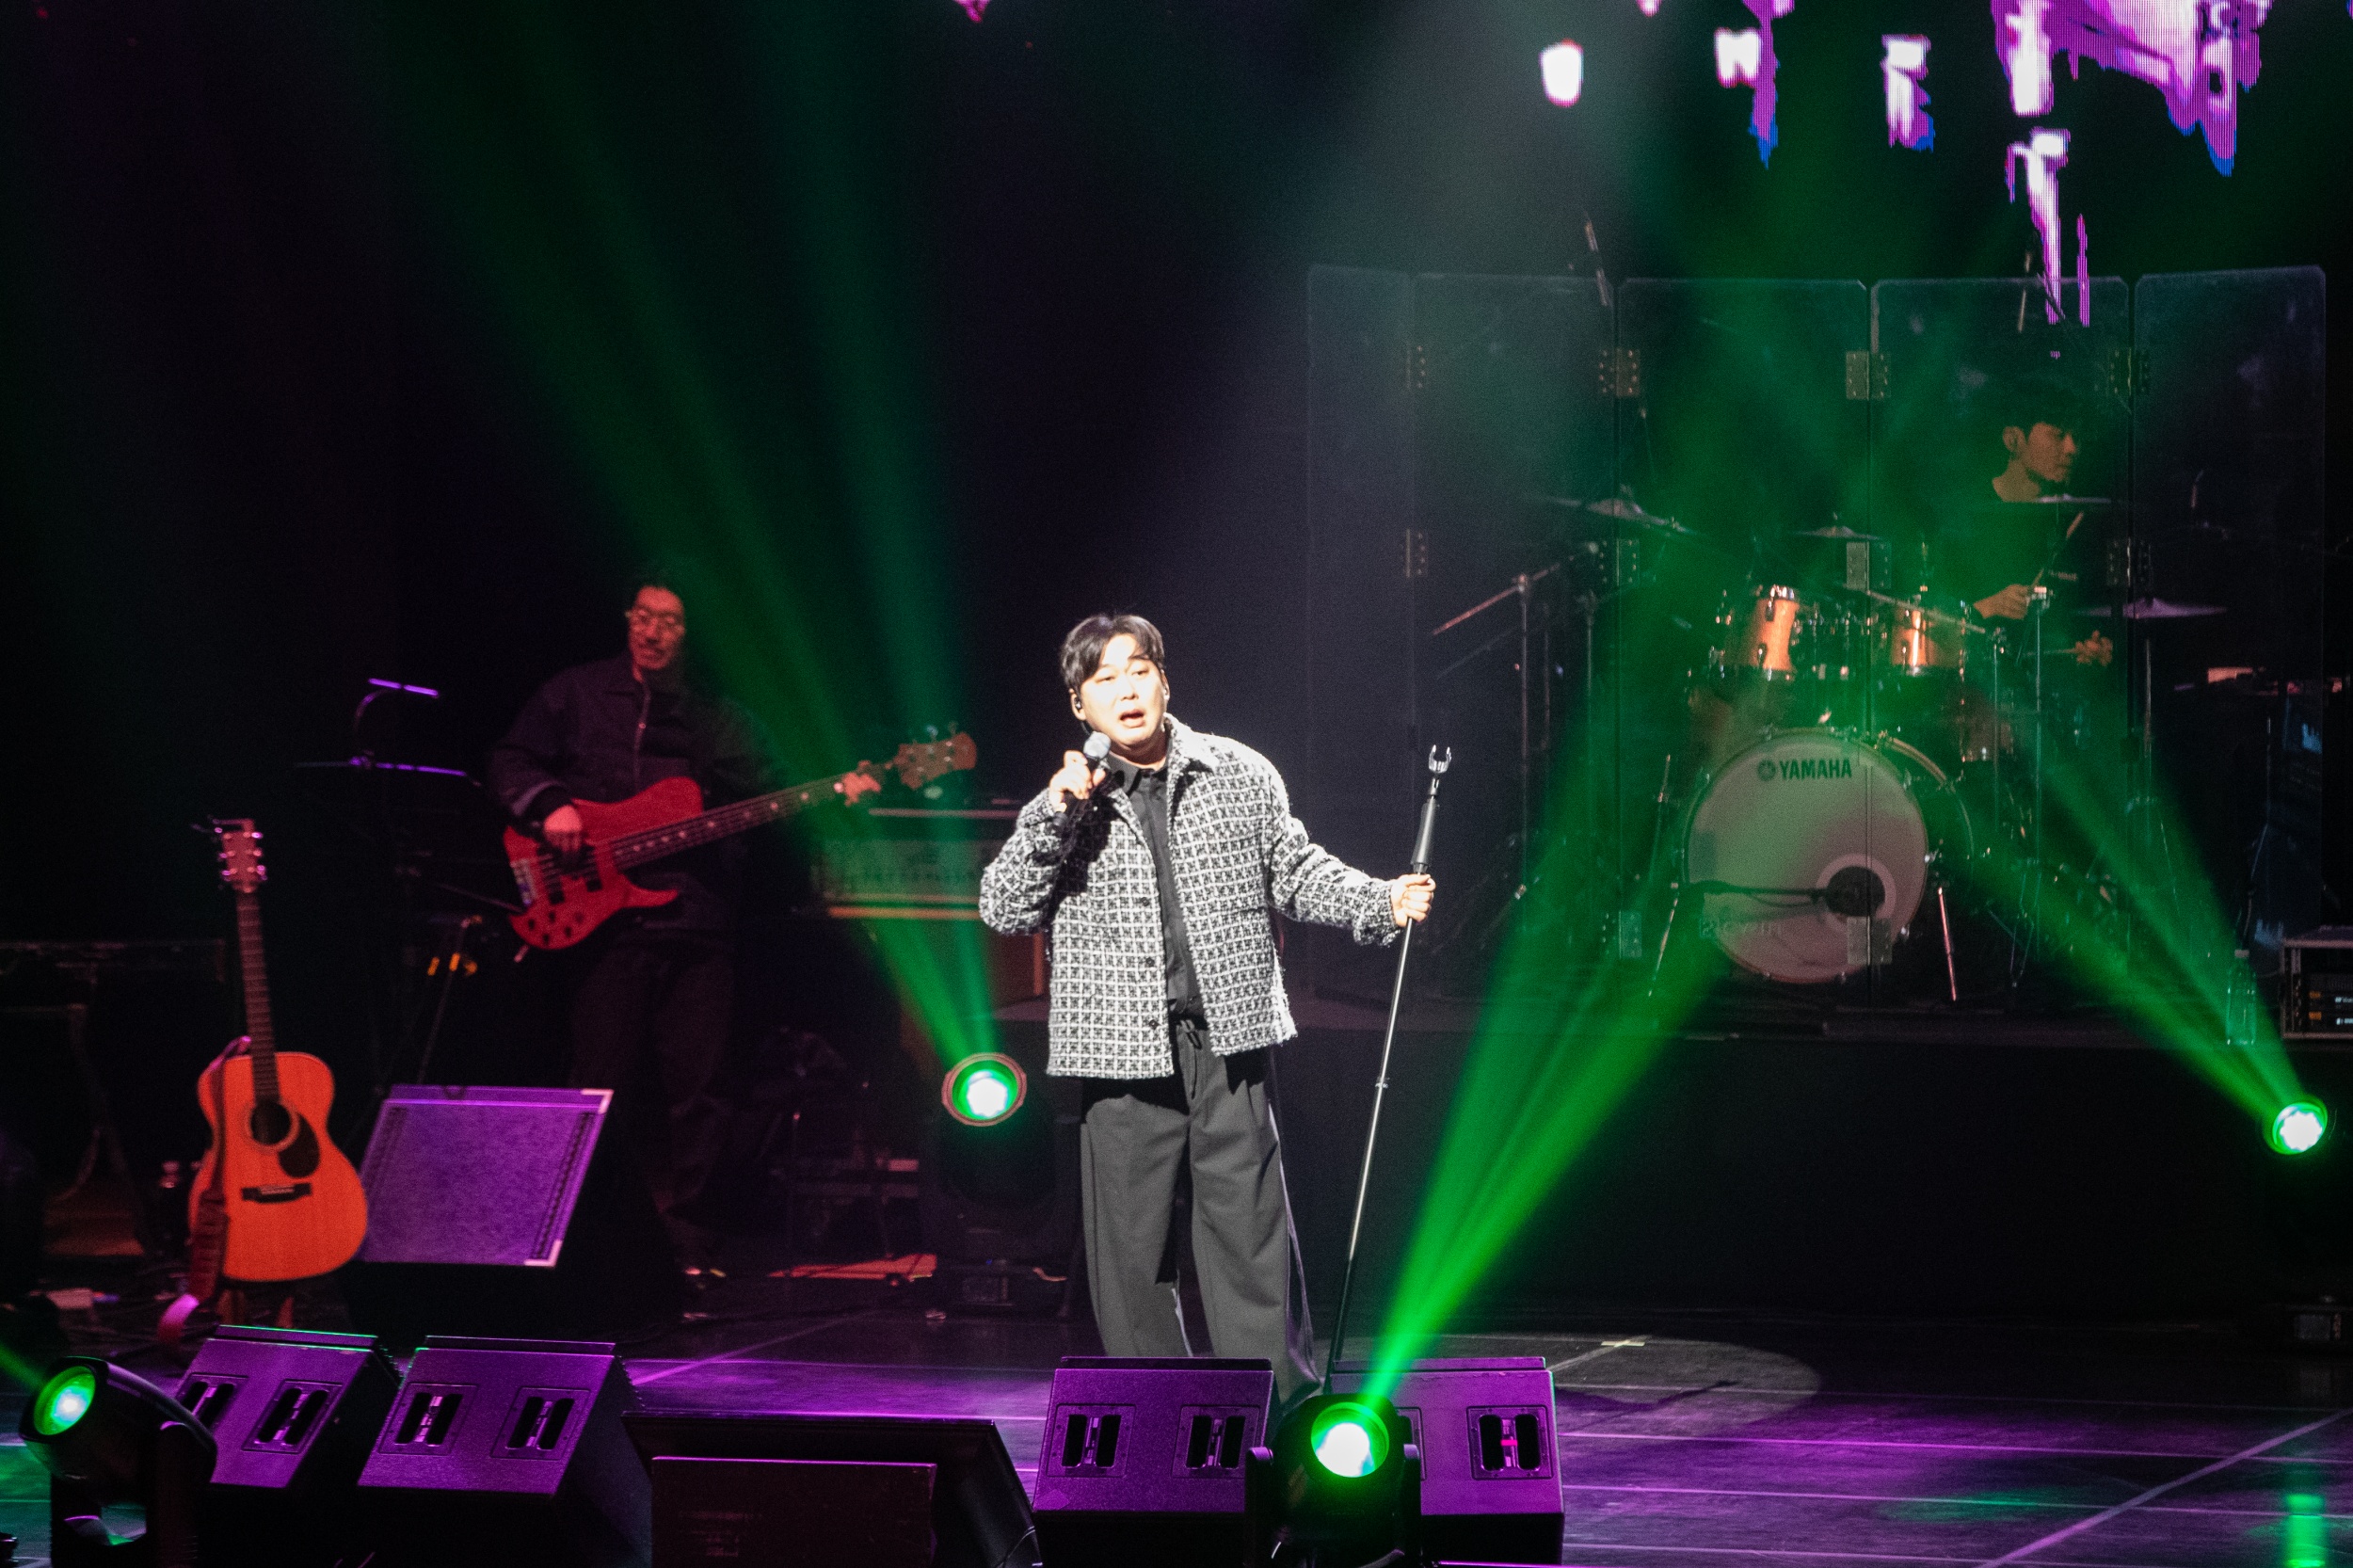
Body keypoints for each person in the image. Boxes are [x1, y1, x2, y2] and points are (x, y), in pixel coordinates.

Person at [978, 613, 1434, 1407]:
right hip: (1120, 1052)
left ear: (1164, 679)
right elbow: (1004, 906)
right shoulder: (1070, 802)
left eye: (1139, 670)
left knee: (1251, 1237)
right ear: (1081, 706)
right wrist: (1055, 812)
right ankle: (1160, 1419)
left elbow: (1296, 871)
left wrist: (1380, 900)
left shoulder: (1238, 771)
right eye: (1104, 679)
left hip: (1228, 1037)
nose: (1126, 690)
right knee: (1131, 1255)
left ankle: (1278, 1415)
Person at [487, 568, 873, 1272]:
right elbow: (510, 759)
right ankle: (587, 1236)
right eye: (643, 616)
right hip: (602, 925)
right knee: (599, 1084)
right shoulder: (575, 693)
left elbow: (778, 788)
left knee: (702, 1092)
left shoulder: (719, 718)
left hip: (696, 926)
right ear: (627, 619)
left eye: (669, 621)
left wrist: (835, 791)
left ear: (690, 635)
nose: (653, 631)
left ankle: (693, 1244)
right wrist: (550, 804)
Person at [1935, 378, 2112, 667]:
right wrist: (1988, 606)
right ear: (2013, 440)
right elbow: (1930, 621)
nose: (2071, 449)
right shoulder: (1964, 519)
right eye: (2058, 435)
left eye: (2076, 438)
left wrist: (2083, 647)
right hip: (1975, 680)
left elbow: (2069, 623)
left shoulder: (2074, 520)